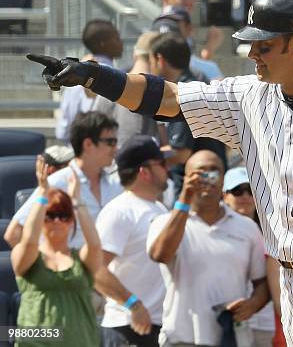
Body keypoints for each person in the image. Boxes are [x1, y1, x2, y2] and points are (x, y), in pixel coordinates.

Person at [27, 0, 293, 344]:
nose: (252, 53)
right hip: (290, 272)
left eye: (264, 45)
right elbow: (166, 99)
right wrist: (95, 76)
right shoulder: (247, 95)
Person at [147, 150, 269, 346]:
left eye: (214, 172)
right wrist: (185, 199)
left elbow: (262, 282)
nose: (208, 178)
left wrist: (253, 305)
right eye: (200, 173)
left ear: (223, 179)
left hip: (231, 338)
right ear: (187, 178)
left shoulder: (247, 227)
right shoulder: (165, 222)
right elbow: (160, 254)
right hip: (182, 338)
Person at [11, 155, 102, 346]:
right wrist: (42, 195)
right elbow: (29, 243)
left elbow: (94, 245)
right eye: (50, 215)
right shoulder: (30, 258)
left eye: (63, 215)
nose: (57, 221)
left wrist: (76, 202)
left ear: (71, 221)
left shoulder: (81, 260)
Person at [5, 111, 123, 248]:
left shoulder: (117, 186)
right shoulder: (56, 183)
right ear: (88, 144)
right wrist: (48, 267)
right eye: (110, 142)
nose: (116, 148)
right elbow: (14, 234)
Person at [94, 135, 170, 347]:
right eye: (162, 164)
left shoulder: (159, 208)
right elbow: (95, 269)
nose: (168, 169)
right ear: (144, 172)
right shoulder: (120, 211)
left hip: (158, 327)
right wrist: (133, 305)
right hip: (128, 330)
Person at [147, 32, 227, 198]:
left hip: (197, 191)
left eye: (150, 60)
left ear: (160, 59)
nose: (150, 66)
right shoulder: (194, 85)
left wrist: (146, 159)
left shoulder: (184, 94)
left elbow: (181, 153)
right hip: (208, 184)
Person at [223, 166, 276, 346]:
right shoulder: (214, 231)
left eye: (250, 190)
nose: (245, 196)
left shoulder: (274, 231)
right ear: (224, 196)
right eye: (237, 191)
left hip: (267, 320)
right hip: (231, 320)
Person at [56, 20, 123, 142]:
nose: (121, 42)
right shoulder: (116, 78)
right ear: (103, 43)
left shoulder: (72, 74)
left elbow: (62, 131)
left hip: (76, 153)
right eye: (117, 38)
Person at [160, 0, 224, 60]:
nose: (188, 1)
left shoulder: (183, 24)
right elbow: (175, 67)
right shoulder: (165, 24)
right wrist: (208, 51)